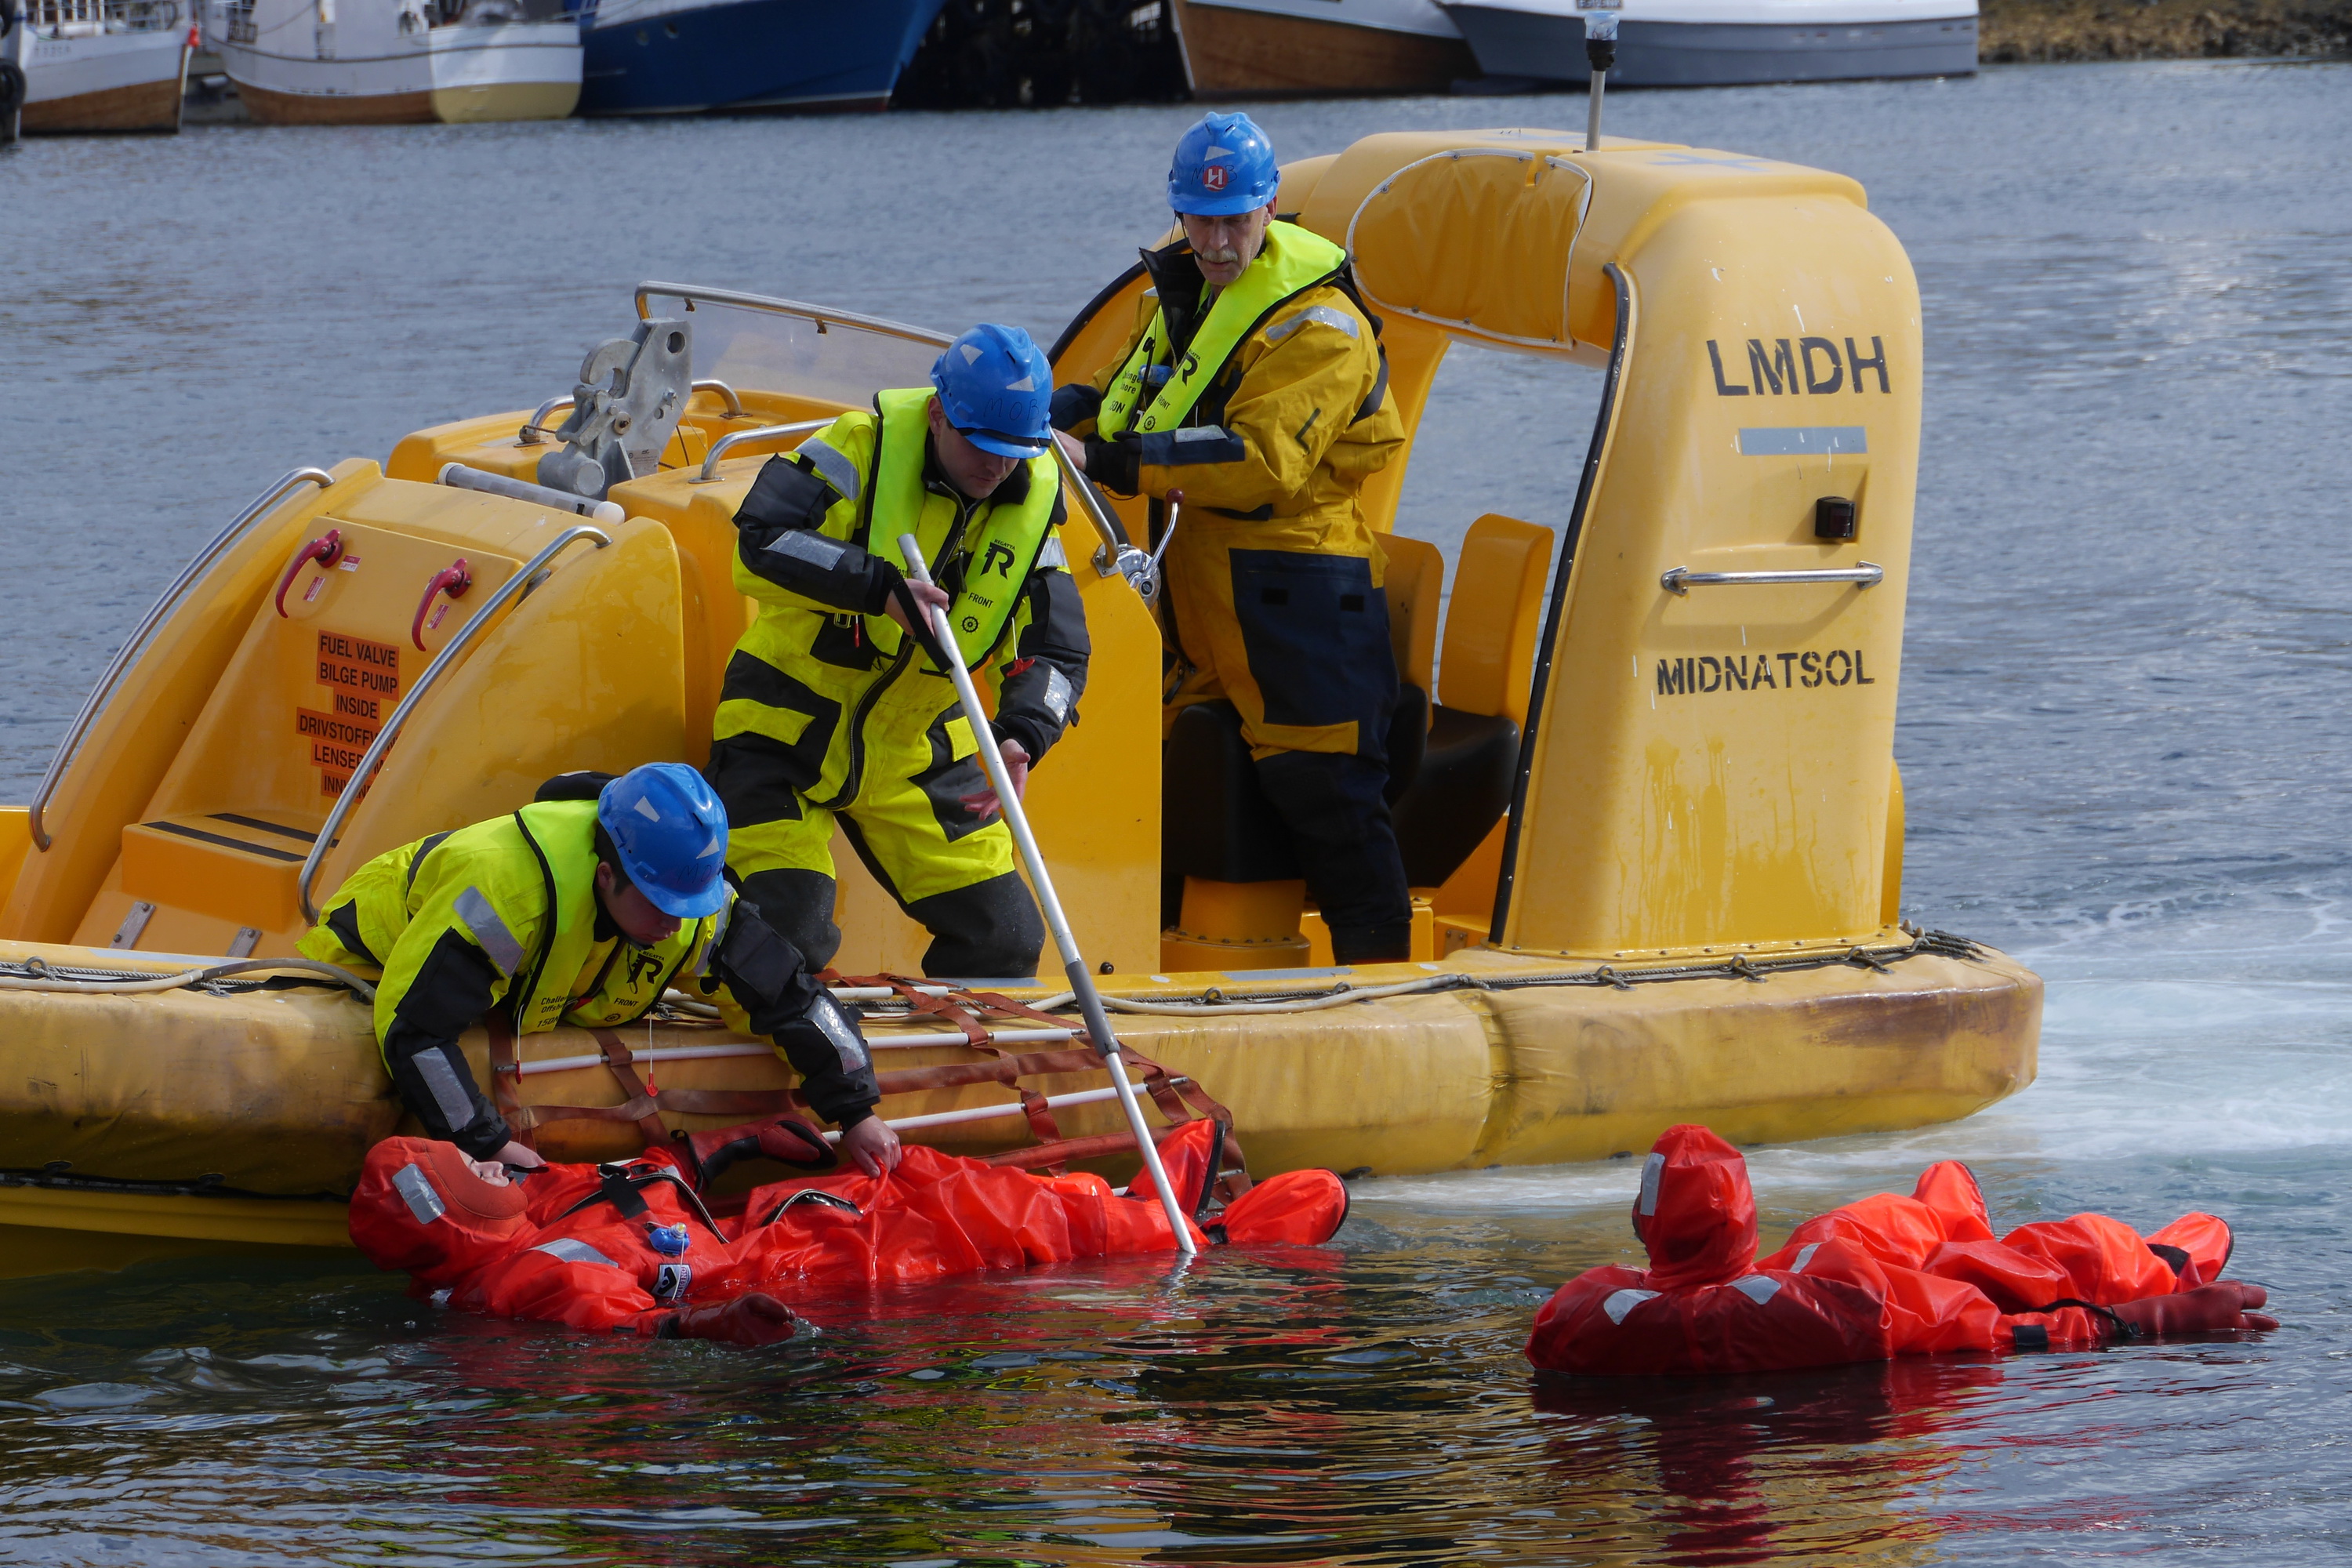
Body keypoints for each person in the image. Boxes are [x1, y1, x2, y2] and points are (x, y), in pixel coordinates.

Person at [1051, 111, 1413, 964]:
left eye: (1234, 220)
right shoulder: (1187, 300)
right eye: (1199, 220)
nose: (1215, 242)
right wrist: (1038, 412)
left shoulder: (1321, 324)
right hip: (1210, 599)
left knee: (1330, 798)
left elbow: (1260, 460)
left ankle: (1386, 989)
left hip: (1307, 600)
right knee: (1195, 779)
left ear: (1271, 206)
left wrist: (1101, 455)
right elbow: (1119, 394)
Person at [704, 322, 1090, 981]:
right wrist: (875, 586)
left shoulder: (1030, 502)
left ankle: (947, 1063)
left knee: (1007, 937)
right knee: (788, 928)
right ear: (938, 414)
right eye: (981, 445)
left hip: (917, 750)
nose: (996, 468)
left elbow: (1056, 648)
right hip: (784, 731)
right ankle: (796, 1045)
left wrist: (1026, 733)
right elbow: (761, 539)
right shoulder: (858, 446)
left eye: (1015, 451)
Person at [299, 762, 902, 1177]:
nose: (676, 922)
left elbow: (790, 997)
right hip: (372, 958)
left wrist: (856, 1113)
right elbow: (416, 1030)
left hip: (531, 991)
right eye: (661, 905)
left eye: (689, 905)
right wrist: (486, 1143)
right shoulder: (503, 895)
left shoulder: (691, 898)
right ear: (606, 875)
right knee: (412, 1024)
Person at [1525, 1124, 2278, 1377]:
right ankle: (2162, 1258)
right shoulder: (1835, 1307)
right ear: (1743, 1220)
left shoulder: (1577, 1314)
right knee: (2037, 1261)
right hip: (1875, 1296)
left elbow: (1687, 1294)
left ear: (1642, 1221)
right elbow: (2007, 1334)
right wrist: (2161, 1316)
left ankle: (1945, 1211)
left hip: (1784, 1276)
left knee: (1841, 1231)